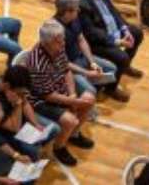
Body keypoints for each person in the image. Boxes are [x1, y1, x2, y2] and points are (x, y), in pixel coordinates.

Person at [21, 19, 95, 166]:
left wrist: (72, 94)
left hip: (57, 88)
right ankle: (59, 147)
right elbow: (48, 95)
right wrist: (73, 102)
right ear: (48, 42)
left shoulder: (57, 47)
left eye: (62, 40)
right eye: (59, 41)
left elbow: (66, 70)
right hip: (40, 100)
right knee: (70, 120)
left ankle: (73, 134)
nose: (63, 44)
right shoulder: (36, 63)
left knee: (89, 98)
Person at [54, 0, 125, 101]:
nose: (79, 11)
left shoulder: (74, 20)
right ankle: (88, 105)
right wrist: (86, 72)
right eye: (76, 9)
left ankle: (92, 90)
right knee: (90, 90)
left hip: (80, 58)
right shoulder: (55, 31)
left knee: (112, 68)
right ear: (68, 12)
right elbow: (63, 63)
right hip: (67, 69)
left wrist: (92, 62)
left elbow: (81, 40)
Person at [77, 0, 145, 83]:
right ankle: (111, 88)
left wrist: (125, 29)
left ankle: (124, 67)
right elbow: (91, 33)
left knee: (136, 33)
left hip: (112, 30)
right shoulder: (81, 3)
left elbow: (113, 11)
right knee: (121, 57)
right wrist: (117, 41)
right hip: (97, 41)